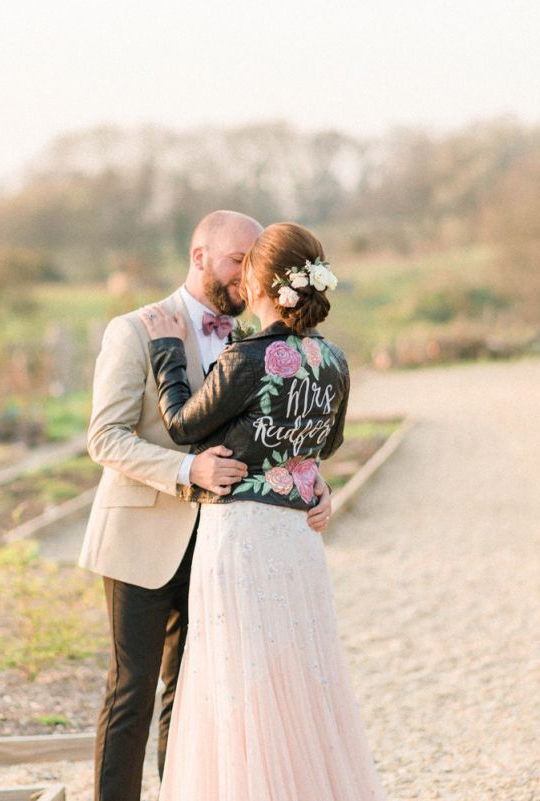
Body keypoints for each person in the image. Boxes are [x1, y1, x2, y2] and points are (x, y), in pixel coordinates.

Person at [80, 211, 335, 801]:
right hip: (142, 536)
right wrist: (184, 469)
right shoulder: (135, 330)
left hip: (225, 544)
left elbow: (280, 434)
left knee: (196, 693)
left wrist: (316, 482)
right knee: (132, 691)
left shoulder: (257, 342)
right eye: (236, 260)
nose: (247, 275)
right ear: (199, 257)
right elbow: (105, 437)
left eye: (254, 263)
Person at [139, 222, 387, 800]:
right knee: (301, 674)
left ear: (261, 281)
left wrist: (167, 350)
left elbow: (181, 424)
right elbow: (324, 447)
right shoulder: (333, 361)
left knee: (238, 680)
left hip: (241, 538)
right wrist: (305, 476)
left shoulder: (247, 359)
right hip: (298, 541)